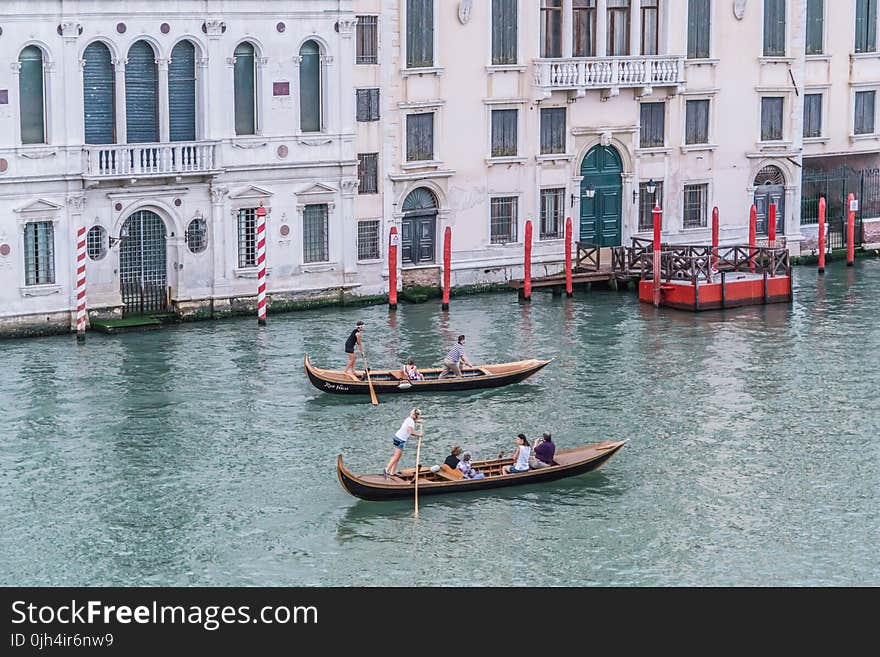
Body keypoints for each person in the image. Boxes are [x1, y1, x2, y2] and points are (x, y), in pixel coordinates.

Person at [384, 408, 423, 478]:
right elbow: (411, 432)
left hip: (398, 438)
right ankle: (386, 470)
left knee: (398, 457)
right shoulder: (411, 422)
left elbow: (412, 421)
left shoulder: (409, 419)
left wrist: (418, 421)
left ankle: (392, 472)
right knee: (396, 456)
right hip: (400, 439)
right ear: (416, 416)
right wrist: (419, 434)